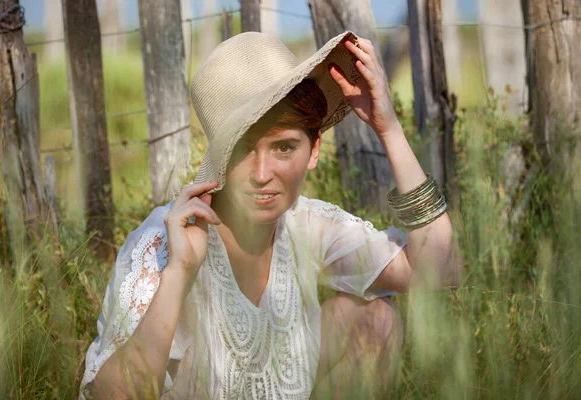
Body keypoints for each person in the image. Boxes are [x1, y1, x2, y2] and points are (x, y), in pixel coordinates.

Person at [80, 31, 456, 399]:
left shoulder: (306, 225)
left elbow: (439, 270)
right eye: (243, 148)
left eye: (284, 147)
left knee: (376, 320)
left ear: (313, 150)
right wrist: (178, 272)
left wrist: (388, 129)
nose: (262, 174)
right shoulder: (165, 240)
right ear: (220, 155)